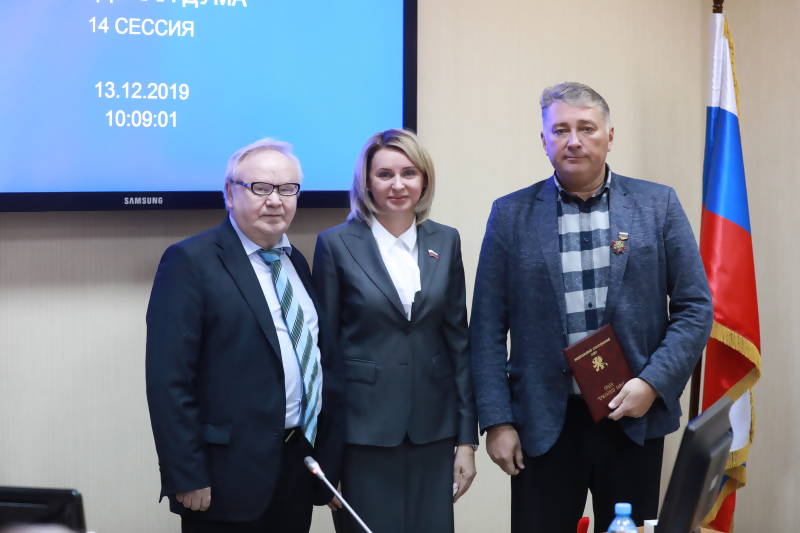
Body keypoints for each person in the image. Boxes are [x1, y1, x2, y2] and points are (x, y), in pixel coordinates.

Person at [470, 82, 713, 533]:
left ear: (609, 136)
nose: (574, 140)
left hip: (632, 417)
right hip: (542, 425)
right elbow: (485, 328)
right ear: (544, 140)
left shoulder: (657, 205)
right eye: (560, 130)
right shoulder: (510, 215)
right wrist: (498, 421)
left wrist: (653, 383)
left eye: (586, 128)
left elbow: (695, 308)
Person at [145, 138, 343, 533]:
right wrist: (186, 473)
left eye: (287, 189)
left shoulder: (296, 263)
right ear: (229, 193)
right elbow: (169, 380)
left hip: (295, 469)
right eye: (260, 188)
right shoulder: (190, 262)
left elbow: (315, 363)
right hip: (224, 478)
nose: (275, 201)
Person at [312, 129, 478, 533]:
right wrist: (328, 451)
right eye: (385, 174)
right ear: (367, 182)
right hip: (362, 434)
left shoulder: (446, 241)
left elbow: (458, 342)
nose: (398, 184)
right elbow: (324, 352)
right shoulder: (335, 244)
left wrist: (466, 440)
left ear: (424, 179)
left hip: (433, 431)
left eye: (409, 173)